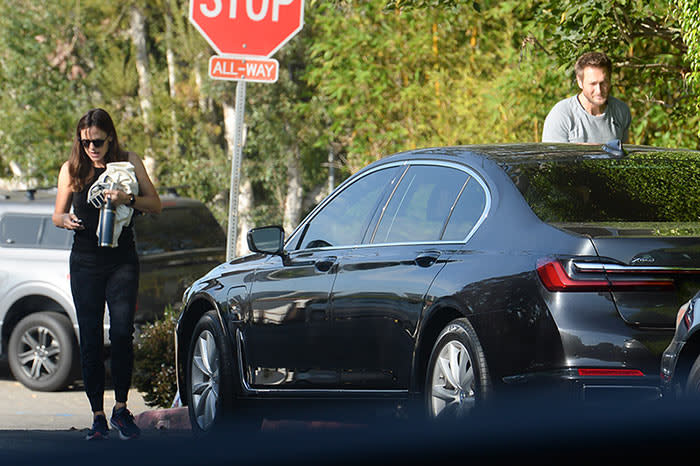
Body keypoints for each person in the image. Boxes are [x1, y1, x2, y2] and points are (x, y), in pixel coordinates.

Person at [53, 108, 161, 440]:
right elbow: (57, 214)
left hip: (122, 260)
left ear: (109, 137)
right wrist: (65, 220)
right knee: (89, 338)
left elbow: (154, 203)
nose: (92, 148)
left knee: (123, 333)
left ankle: (121, 409)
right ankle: (97, 415)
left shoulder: (128, 162)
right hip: (85, 261)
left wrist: (126, 197)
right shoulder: (72, 169)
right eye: (85, 142)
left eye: (97, 142)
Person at [542, 51, 631, 144]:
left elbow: (625, 155)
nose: (599, 90)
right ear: (580, 82)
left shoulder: (621, 111)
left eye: (603, 83)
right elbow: (551, 157)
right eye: (593, 84)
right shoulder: (561, 115)